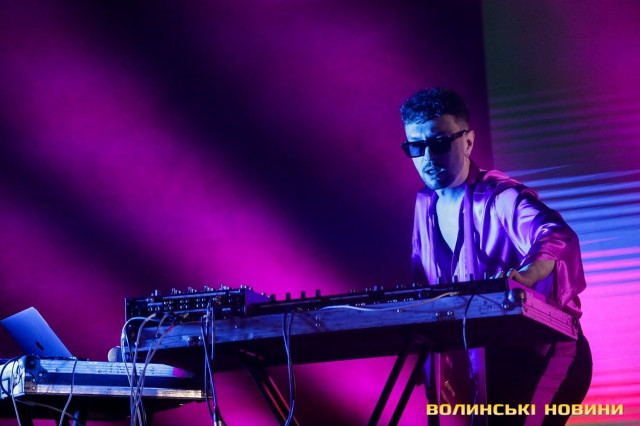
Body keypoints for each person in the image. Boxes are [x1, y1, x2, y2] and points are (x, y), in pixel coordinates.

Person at [400, 88, 592, 425]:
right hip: (492, 363)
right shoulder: (424, 205)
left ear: (468, 142)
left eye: (439, 143)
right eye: (416, 147)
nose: (428, 157)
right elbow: (425, 294)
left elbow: (556, 235)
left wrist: (526, 276)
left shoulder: (499, 196)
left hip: (547, 353)